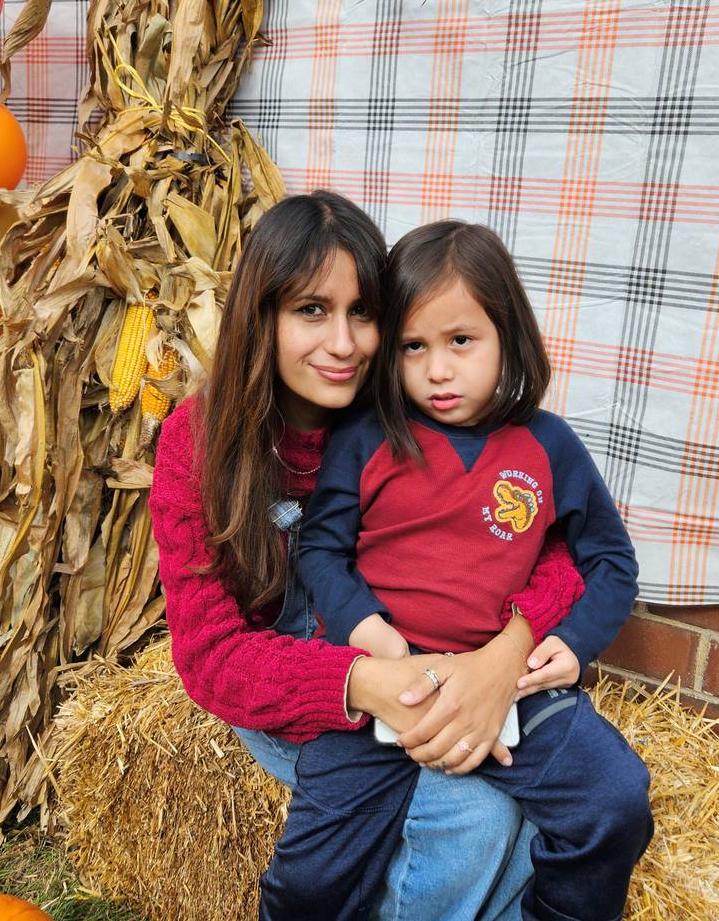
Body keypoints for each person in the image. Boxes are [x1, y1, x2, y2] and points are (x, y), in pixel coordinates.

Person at [150, 193, 595, 919]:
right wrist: (363, 680)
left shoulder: (416, 416)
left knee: (543, 814)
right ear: (261, 316)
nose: (344, 343)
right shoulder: (197, 444)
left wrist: (507, 651)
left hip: (432, 661)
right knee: (473, 819)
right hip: (294, 680)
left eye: (362, 312)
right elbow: (210, 653)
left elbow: (551, 547)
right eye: (311, 310)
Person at [259, 220, 654, 921]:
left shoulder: (548, 446)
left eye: (461, 341)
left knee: (615, 803)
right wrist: (370, 635)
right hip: (384, 684)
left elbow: (609, 559)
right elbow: (320, 550)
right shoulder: (368, 437)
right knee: (311, 882)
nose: (437, 370)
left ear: (509, 336)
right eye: (414, 346)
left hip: (510, 690)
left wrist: (573, 643)